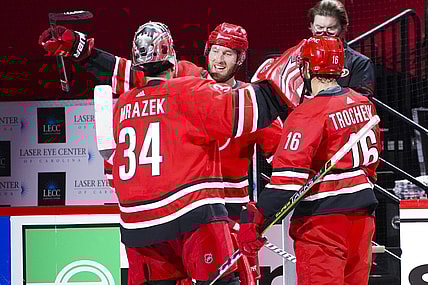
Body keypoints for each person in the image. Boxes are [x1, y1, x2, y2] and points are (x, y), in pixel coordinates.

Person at [39, 21, 283, 284]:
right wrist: (82, 50)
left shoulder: (237, 99)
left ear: (240, 58)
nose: (219, 60)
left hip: (229, 218)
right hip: (193, 215)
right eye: (215, 51)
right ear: (206, 50)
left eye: (228, 53)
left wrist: (259, 214)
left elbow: (284, 163)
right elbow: (131, 72)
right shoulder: (187, 81)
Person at [237, 35, 381, 285]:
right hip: (363, 219)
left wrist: (257, 218)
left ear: (304, 68)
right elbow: (371, 166)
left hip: (323, 224)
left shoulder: (307, 114)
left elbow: (287, 183)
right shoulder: (364, 104)